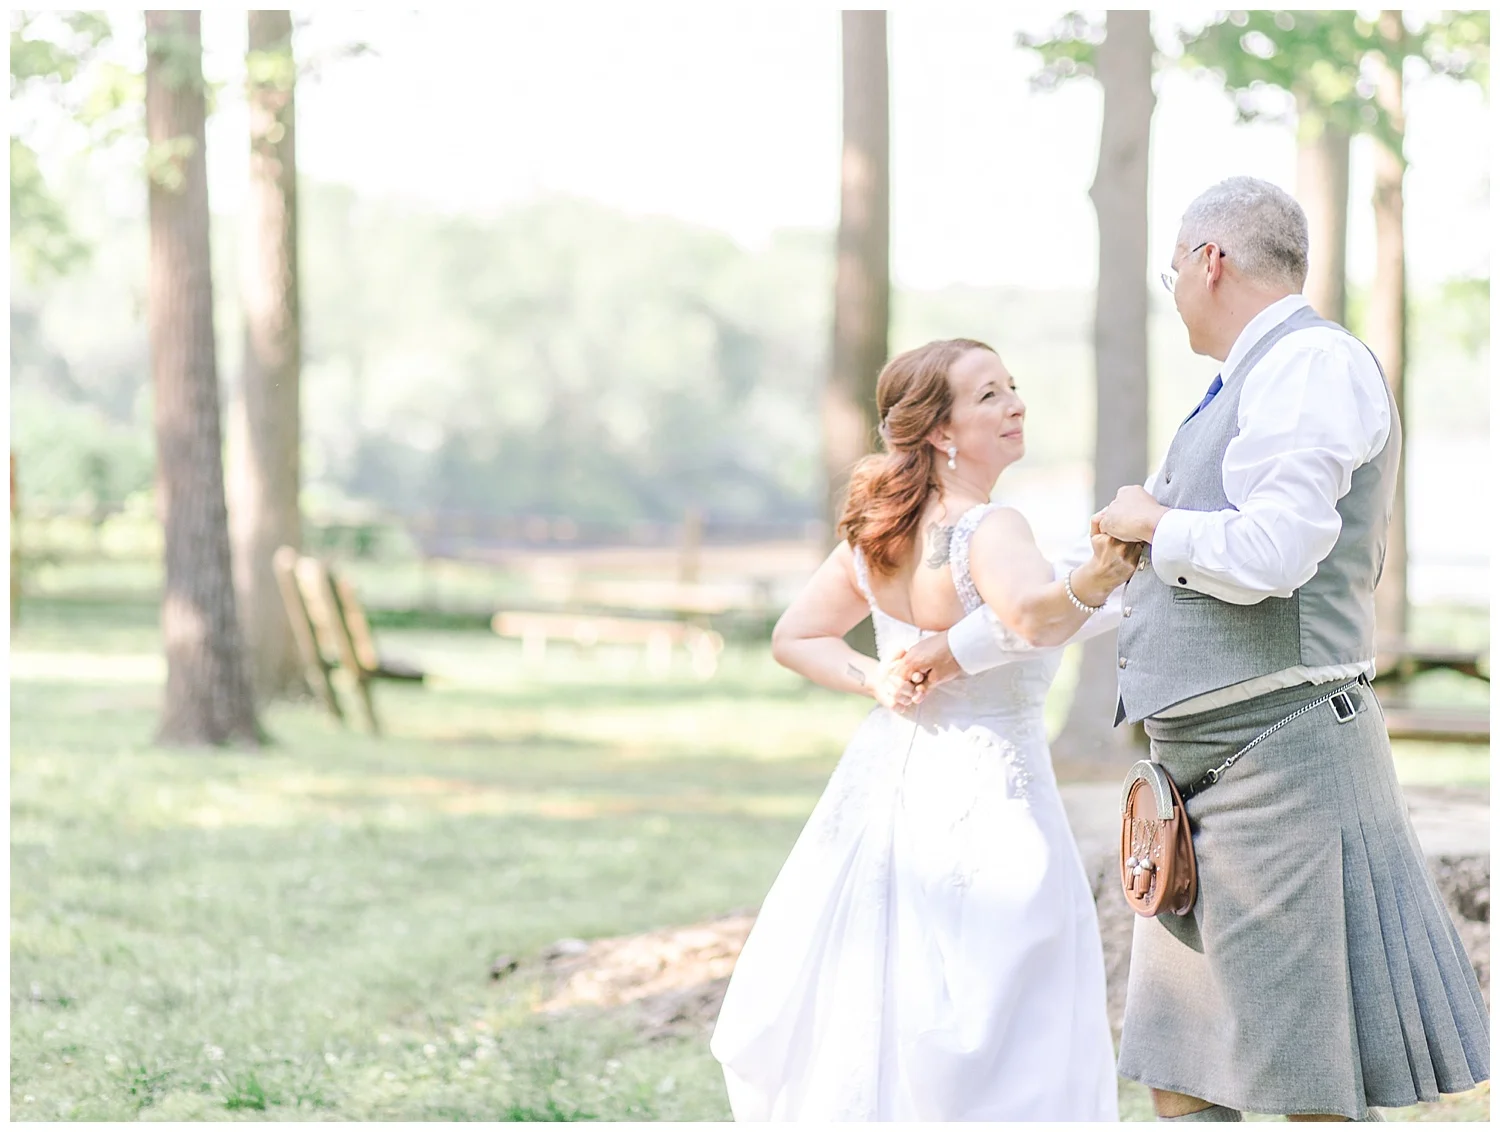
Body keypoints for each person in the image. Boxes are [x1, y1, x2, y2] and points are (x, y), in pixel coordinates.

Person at [890, 177, 1490, 1121]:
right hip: (1189, 787)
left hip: (1283, 761)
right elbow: (1124, 589)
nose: (1172, 292)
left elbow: (1273, 554)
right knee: (1183, 1077)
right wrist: (957, 650)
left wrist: (1154, 516)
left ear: (1211, 262)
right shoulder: (1240, 387)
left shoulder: (1311, 366)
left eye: (1172, 271)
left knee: (1305, 1081)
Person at [708, 337, 1137, 1121]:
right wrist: (1107, 573)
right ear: (940, 431)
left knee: (885, 995)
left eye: (1012, 386)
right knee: (1004, 1009)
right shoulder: (990, 527)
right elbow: (1035, 620)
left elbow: (795, 638)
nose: (1015, 405)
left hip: (888, 788)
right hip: (993, 801)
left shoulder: (882, 533)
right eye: (988, 396)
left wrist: (873, 677)